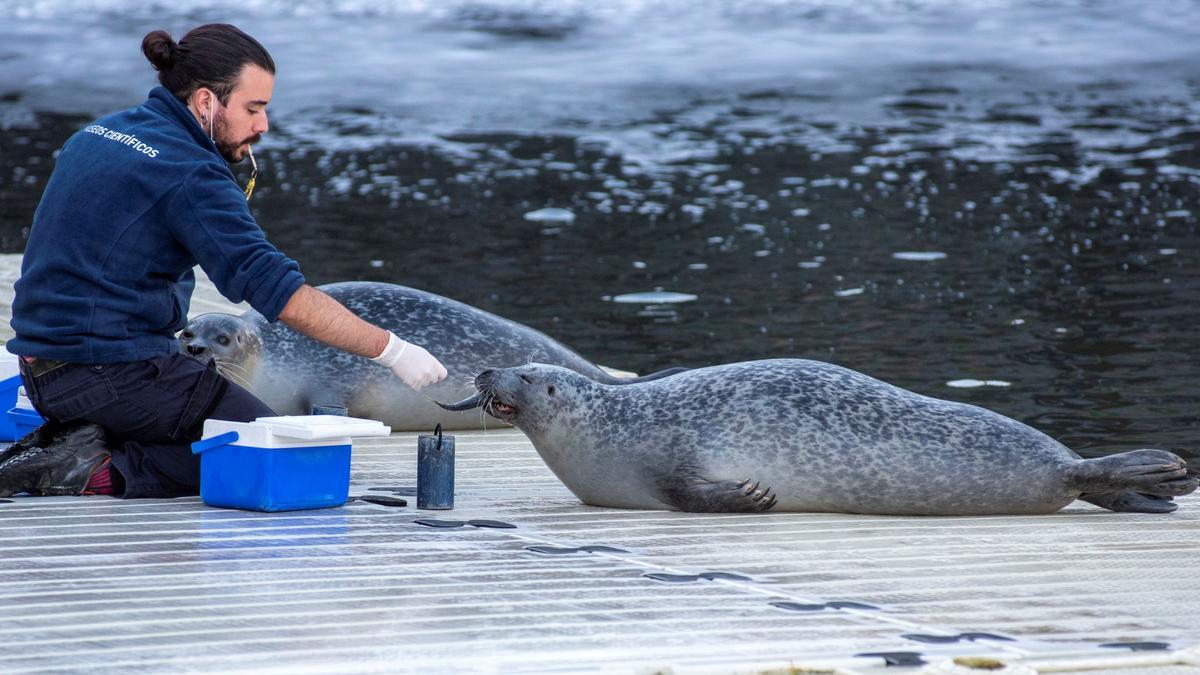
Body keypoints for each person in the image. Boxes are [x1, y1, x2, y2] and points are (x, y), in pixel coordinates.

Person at [0, 24, 447, 499]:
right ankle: (89, 469)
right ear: (206, 102)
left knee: (206, 413)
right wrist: (392, 350)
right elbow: (280, 294)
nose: (263, 126)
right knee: (272, 451)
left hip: (40, 371)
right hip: (109, 375)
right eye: (253, 108)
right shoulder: (192, 173)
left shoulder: (101, 132)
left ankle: (72, 441)